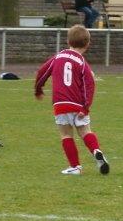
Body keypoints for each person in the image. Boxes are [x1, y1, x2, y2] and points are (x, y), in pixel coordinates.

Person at [34, 25, 110, 176]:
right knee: (85, 131)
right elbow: (90, 85)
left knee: (66, 135)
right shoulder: (82, 62)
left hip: (60, 104)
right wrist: (85, 107)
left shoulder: (58, 57)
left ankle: (75, 167)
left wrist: (38, 89)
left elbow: (42, 72)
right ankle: (96, 151)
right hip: (78, 104)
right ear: (87, 44)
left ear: (68, 41)